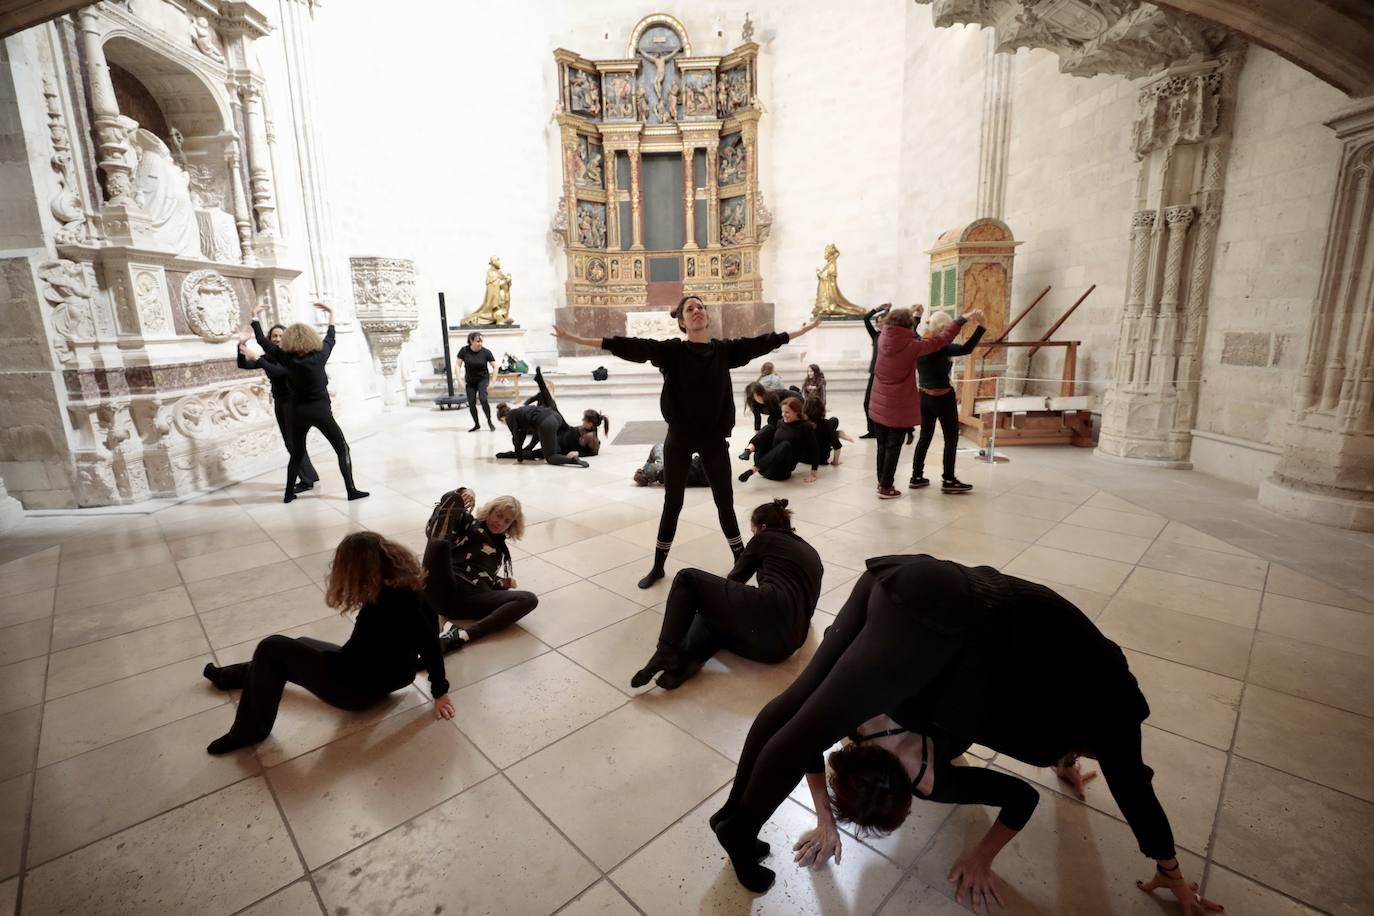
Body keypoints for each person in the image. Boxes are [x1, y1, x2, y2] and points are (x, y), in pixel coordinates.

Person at [709, 556, 1220, 916]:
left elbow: (1044, 680)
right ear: (1093, 738)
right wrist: (1170, 870)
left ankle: (736, 817)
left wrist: (1061, 759)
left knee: (795, 705)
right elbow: (1135, 787)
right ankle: (737, 827)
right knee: (805, 729)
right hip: (939, 616)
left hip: (915, 580)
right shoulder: (1112, 714)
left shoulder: (1074, 688)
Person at [552, 296, 821, 589]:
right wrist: (575, 338)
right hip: (679, 436)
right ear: (681, 321)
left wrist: (801, 332)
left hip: (713, 438)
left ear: (707, 317)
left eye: (700, 307)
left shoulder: (724, 351)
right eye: (689, 309)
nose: (696, 311)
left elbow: (763, 342)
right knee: (672, 503)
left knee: (725, 502)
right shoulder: (672, 351)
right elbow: (630, 346)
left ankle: (740, 562)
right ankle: (658, 566)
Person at [202, 532, 452, 754]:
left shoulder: (384, 605)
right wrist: (440, 692)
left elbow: (425, 649)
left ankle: (248, 732)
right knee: (297, 644)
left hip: (354, 690)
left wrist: (440, 692)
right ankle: (231, 676)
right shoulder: (411, 592)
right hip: (385, 678)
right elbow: (431, 643)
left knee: (273, 647)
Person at [630, 499, 822, 690]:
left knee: (687, 580)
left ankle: (666, 652)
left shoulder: (765, 538)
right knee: (716, 618)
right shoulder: (812, 554)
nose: (752, 535)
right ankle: (684, 665)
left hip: (770, 614)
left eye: (753, 530)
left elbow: (733, 581)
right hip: (782, 648)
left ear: (763, 527)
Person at [253, 301, 368, 503]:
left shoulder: (286, 358)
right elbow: (331, 337)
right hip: (321, 412)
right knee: (342, 449)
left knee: (296, 454)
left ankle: (289, 494)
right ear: (311, 338)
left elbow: (263, 341)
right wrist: (331, 313)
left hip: (298, 413)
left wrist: (255, 317)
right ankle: (351, 490)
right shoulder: (320, 355)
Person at [867, 306, 981, 499]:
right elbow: (942, 340)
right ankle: (887, 487)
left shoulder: (881, 338)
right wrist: (962, 319)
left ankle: (888, 481)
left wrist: (916, 317)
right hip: (899, 404)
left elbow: (907, 335)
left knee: (883, 444)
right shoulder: (913, 346)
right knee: (895, 445)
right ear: (908, 327)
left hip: (879, 400)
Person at [422, 485, 536, 652]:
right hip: (446, 583)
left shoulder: (500, 551)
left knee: (529, 599)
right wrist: (463, 493)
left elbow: (481, 575)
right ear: (490, 510)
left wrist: (499, 583)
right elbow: (451, 501)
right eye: (499, 515)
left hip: (469, 600)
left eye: (507, 521)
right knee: (442, 539)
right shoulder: (469, 523)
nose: (500, 522)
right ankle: (437, 535)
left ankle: (461, 636)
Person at [236, 325, 319, 493]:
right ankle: (310, 475)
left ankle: (307, 480)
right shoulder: (271, 356)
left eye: (281, 336)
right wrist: (241, 345)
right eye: (274, 336)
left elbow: (277, 372)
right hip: (280, 402)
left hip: (293, 402)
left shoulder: (292, 356)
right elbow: (243, 365)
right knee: (292, 442)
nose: (277, 339)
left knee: (292, 442)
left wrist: (258, 358)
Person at [912, 311, 985, 493]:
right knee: (951, 438)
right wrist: (981, 327)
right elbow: (966, 349)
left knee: (925, 437)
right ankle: (949, 479)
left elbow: (913, 330)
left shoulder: (919, 343)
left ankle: (917, 476)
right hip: (942, 397)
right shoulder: (941, 347)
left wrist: (916, 316)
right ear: (942, 328)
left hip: (924, 397)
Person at [520, 366, 610, 458]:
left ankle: (509, 454)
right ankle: (540, 381)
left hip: (560, 446)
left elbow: (594, 452)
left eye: (584, 420)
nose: (582, 420)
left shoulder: (591, 437)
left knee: (535, 453)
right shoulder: (591, 428)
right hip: (565, 430)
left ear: (591, 424)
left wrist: (579, 454)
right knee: (552, 407)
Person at [738, 396, 819, 484]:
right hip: (764, 467)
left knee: (785, 445)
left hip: (779, 472)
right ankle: (748, 450)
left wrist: (813, 474)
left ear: (797, 412)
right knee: (768, 428)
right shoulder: (781, 422)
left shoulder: (805, 427)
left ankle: (752, 470)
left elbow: (814, 450)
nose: (783, 415)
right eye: (782, 412)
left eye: (787, 412)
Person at [495, 397, 589, 468]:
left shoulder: (510, 417)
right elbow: (533, 433)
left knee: (550, 457)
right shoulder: (520, 412)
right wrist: (529, 447)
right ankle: (565, 453)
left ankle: (573, 460)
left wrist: (519, 458)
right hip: (555, 416)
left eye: (502, 422)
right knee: (554, 447)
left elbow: (516, 438)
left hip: (546, 422)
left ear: (503, 418)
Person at [859, 304, 890, 438]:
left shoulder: (892, 337)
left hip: (886, 376)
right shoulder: (875, 336)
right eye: (877, 323)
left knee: (885, 404)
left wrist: (888, 312)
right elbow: (866, 319)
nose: (878, 325)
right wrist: (878, 309)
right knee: (867, 403)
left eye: (881, 322)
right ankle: (872, 431)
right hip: (874, 374)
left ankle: (885, 430)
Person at [456, 331, 497, 432]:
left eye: (481, 341)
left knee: (483, 399)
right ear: (471, 341)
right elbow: (457, 365)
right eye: (478, 341)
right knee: (471, 403)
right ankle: (477, 424)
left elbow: (495, 366)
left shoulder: (486, 352)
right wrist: (459, 380)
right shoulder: (464, 351)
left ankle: (489, 420)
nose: (480, 343)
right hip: (470, 381)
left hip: (482, 379)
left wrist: (492, 382)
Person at [802, 395, 850, 467]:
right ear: (822, 408)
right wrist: (835, 462)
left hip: (803, 458)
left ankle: (837, 433)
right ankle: (837, 433)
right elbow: (837, 446)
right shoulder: (827, 424)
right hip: (821, 459)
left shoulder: (801, 423)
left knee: (833, 420)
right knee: (833, 421)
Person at [634, 443, 709, 488]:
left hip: (669, 471)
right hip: (680, 471)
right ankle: (646, 471)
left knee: (658, 446)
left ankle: (646, 472)